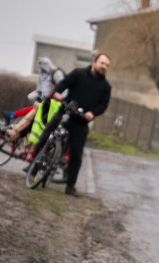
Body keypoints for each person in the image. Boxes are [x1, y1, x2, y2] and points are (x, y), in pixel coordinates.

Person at [49, 53, 112, 196]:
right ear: (94, 62)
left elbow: (103, 105)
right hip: (65, 113)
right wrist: (57, 93)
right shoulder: (78, 74)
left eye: (107, 65)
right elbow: (64, 83)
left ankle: (70, 186)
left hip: (81, 121)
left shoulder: (106, 87)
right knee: (48, 134)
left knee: (77, 154)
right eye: (102, 63)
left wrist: (93, 113)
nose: (104, 67)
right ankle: (35, 166)